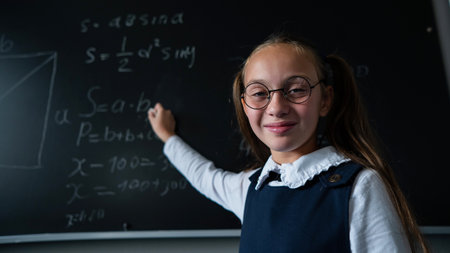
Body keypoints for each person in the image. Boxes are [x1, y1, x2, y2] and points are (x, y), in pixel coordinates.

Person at [148, 34, 429, 252]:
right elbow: (204, 176)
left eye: (296, 89)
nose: (277, 107)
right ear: (244, 105)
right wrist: (168, 137)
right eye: (259, 93)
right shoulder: (249, 188)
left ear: (326, 100)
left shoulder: (359, 187)